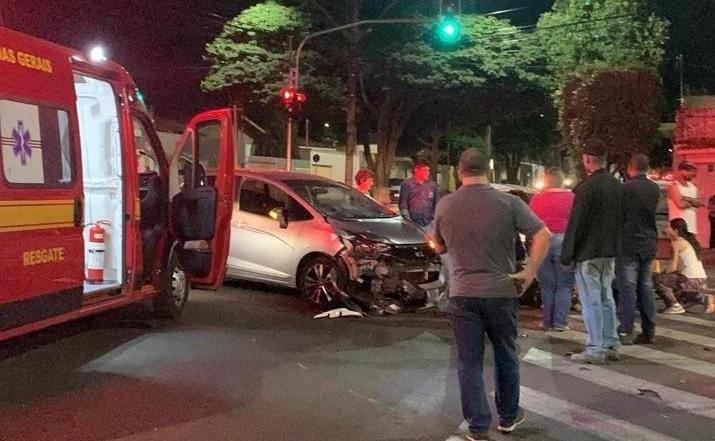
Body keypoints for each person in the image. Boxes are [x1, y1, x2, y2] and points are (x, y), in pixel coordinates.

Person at [434, 148, 551, 441]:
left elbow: (439, 246)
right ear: (488, 170)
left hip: (463, 294)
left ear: (460, 171)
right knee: (506, 354)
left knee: (469, 361)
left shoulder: (445, 205)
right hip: (501, 291)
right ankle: (508, 417)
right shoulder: (509, 202)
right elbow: (544, 234)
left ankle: (477, 426)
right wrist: (529, 272)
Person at [561, 138, 623, 364]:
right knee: (606, 297)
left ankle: (595, 348)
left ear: (587, 160)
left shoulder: (586, 189)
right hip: (610, 252)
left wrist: (567, 254)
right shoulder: (618, 187)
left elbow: (577, 224)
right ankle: (611, 342)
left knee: (591, 300)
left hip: (589, 253)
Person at [616, 154, 660, 345]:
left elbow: (620, 216)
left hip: (629, 242)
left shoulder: (625, 188)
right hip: (648, 242)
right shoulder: (654, 188)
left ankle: (626, 329)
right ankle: (649, 330)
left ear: (631, 167)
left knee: (628, 287)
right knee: (646, 286)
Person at [529, 167, 575, 331]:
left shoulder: (536, 199)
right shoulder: (571, 198)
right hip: (564, 240)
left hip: (542, 241)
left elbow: (530, 222)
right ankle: (560, 322)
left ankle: (547, 321)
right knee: (564, 284)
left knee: (547, 285)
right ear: (562, 181)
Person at [654, 218, 707, 314]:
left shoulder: (677, 243)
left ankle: (674, 305)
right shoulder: (688, 242)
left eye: (669, 227)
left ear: (676, 230)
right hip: (701, 280)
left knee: (658, 280)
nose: (666, 229)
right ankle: (692, 300)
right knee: (671, 278)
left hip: (690, 281)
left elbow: (674, 267)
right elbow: (680, 268)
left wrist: (661, 274)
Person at [399, 159, 438, 230]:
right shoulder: (407, 184)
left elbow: (436, 203)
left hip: (428, 223)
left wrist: (434, 220)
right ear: (416, 170)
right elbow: (403, 204)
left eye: (428, 170)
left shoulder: (432, 185)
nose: (427, 173)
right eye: (425, 170)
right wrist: (408, 220)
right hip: (413, 223)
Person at [668, 160, 703, 236]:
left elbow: (700, 203)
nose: (693, 174)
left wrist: (685, 198)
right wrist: (693, 202)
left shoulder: (693, 186)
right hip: (678, 226)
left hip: (692, 226)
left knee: (693, 247)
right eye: (690, 171)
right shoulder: (674, 185)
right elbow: (680, 205)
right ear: (682, 171)